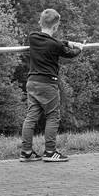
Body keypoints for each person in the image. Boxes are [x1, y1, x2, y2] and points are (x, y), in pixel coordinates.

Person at [20, 8, 83, 162]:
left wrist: (67, 42)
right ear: (56, 27)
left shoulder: (33, 37)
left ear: (40, 22)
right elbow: (69, 53)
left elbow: (57, 43)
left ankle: (26, 152)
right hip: (48, 84)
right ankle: (50, 151)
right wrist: (79, 48)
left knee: (31, 117)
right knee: (52, 116)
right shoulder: (56, 44)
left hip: (32, 82)